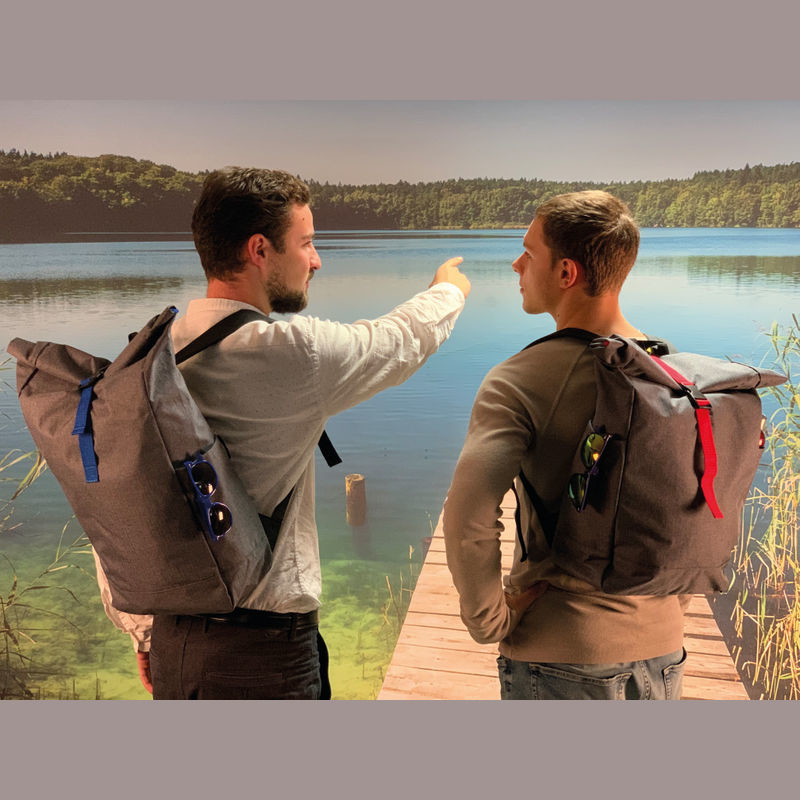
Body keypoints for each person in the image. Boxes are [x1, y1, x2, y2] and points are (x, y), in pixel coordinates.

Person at [95, 166, 471, 699]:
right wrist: (448, 290)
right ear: (259, 250)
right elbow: (399, 339)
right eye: (307, 243)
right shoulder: (291, 354)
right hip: (263, 653)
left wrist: (145, 634)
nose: (316, 260)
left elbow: (120, 509)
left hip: (174, 642)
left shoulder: (144, 359)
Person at [442, 190, 688, 700]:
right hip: (664, 652)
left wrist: (491, 621)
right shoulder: (672, 372)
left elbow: (468, 517)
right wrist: (666, 609)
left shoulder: (518, 379)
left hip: (559, 656)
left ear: (566, 272)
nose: (516, 265)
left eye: (528, 253)